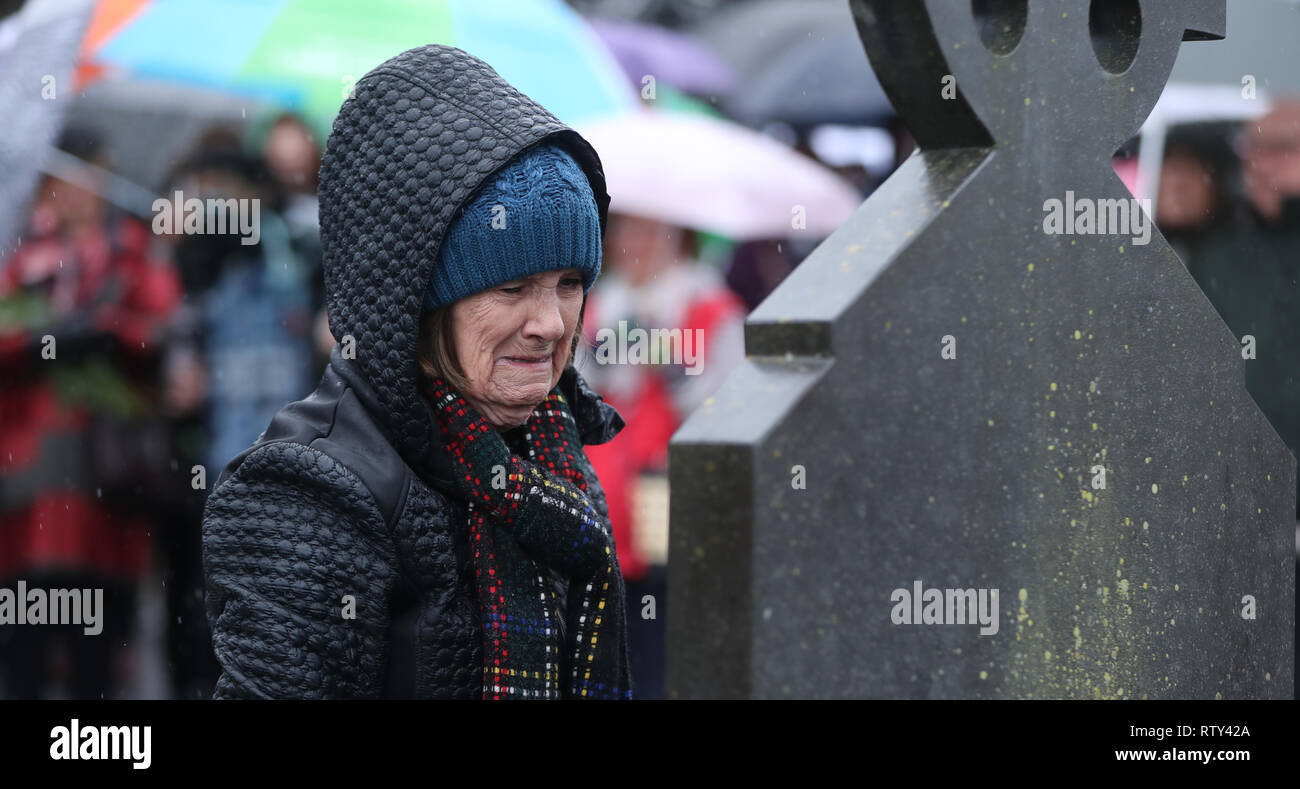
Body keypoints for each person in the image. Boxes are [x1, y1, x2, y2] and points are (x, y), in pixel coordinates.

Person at [201, 44, 633, 700]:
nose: (550, 321)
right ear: (418, 302)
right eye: (513, 287)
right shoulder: (305, 492)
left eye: (569, 282)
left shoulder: (555, 457)